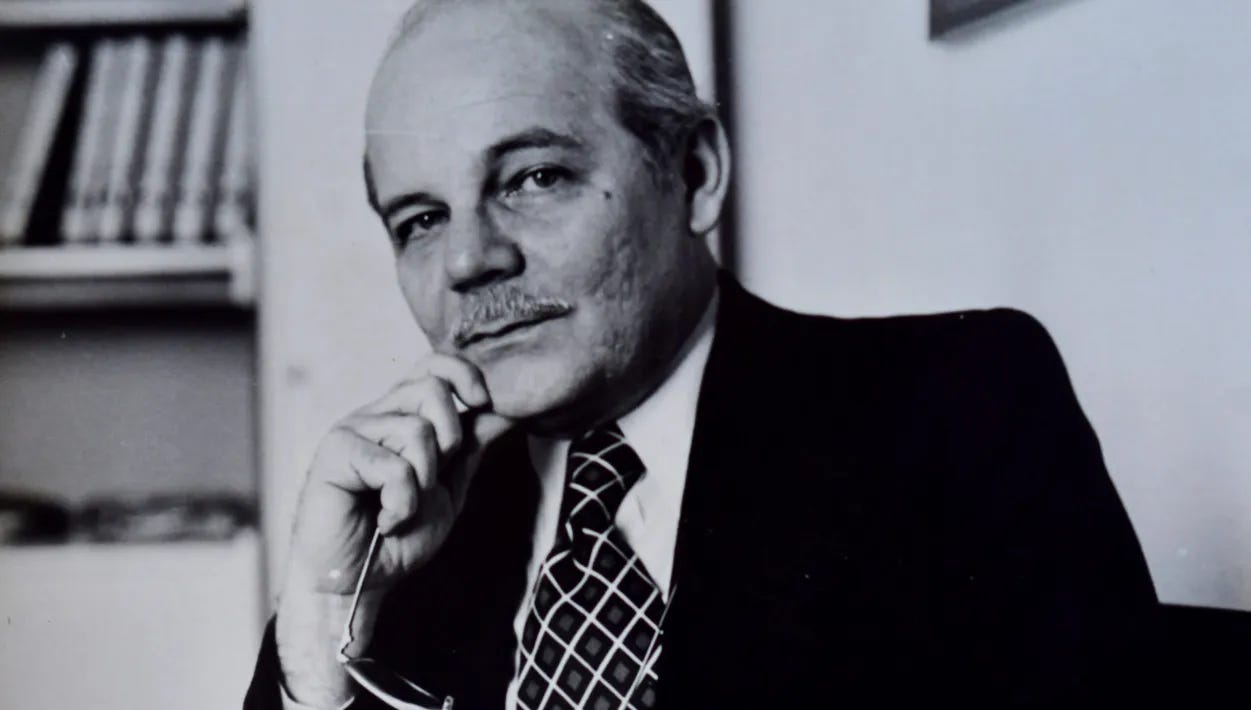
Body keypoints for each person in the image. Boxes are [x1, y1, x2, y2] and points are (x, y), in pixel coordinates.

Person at [246, 0, 1159, 707]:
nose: (467, 260)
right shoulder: (403, 542)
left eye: (533, 177)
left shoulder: (958, 410)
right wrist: (325, 628)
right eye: (420, 220)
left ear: (695, 173)